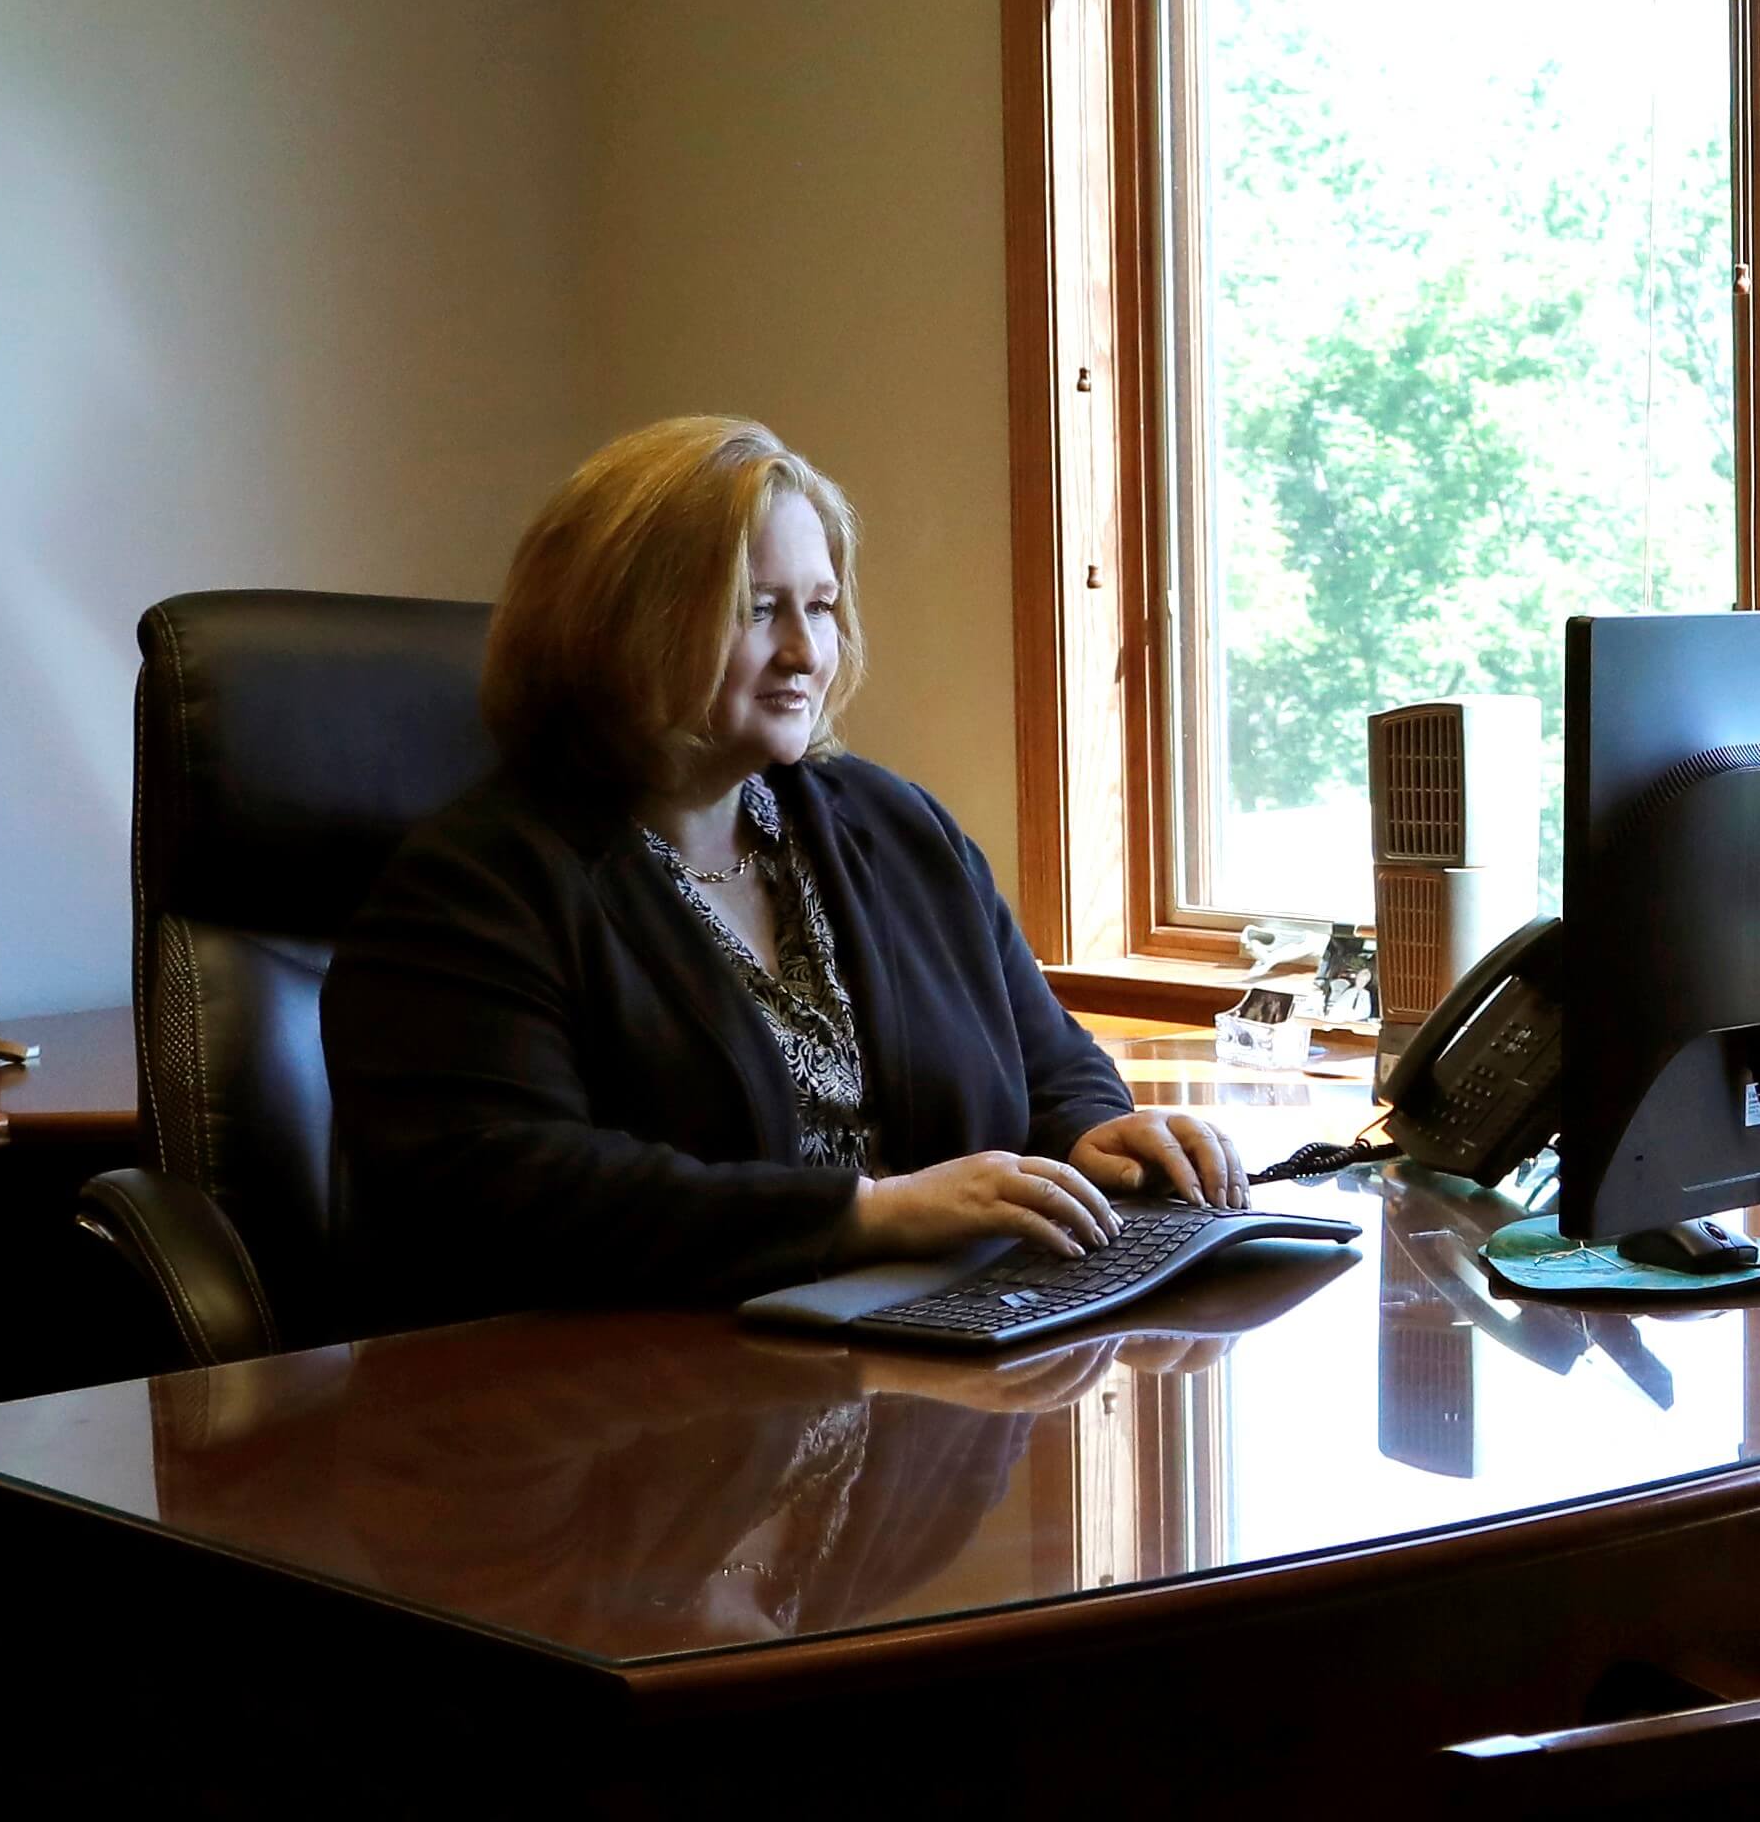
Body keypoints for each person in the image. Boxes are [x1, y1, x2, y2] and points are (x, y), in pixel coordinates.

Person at [321, 417, 1247, 1330]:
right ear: (616, 629)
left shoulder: (895, 827)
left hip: (939, 1364)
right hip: (633, 1405)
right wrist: (869, 1213)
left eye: (821, 605)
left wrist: (1091, 1138)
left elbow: (1046, 1060)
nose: (805, 651)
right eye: (759, 610)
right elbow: (511, 1193)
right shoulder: (474, 887)